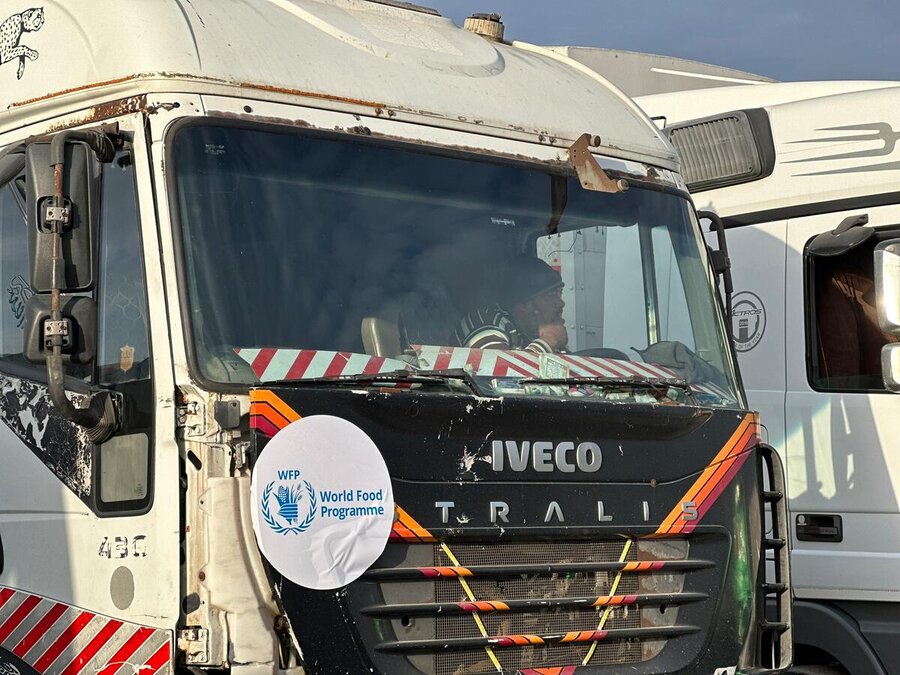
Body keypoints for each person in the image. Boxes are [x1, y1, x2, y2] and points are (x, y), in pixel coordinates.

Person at [454, 256, 568, 353]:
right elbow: (499, 374)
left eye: (560, 293)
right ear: (522, 304)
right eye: (550, 296)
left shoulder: (529, 331)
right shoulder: (487, 325)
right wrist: (550, 340)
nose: (561, 303)